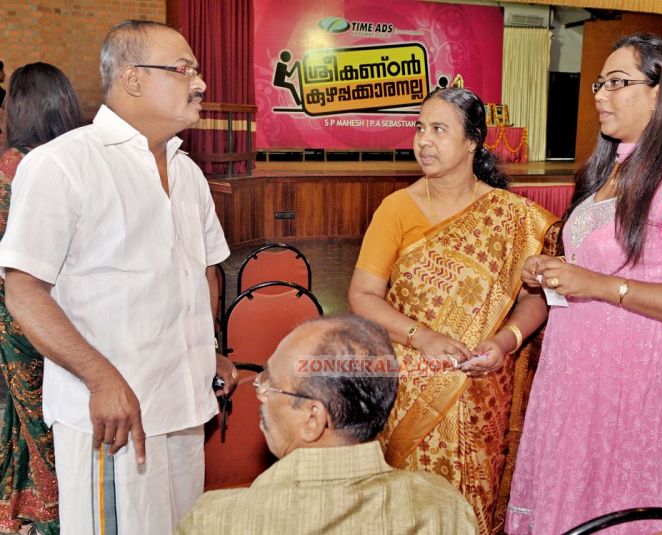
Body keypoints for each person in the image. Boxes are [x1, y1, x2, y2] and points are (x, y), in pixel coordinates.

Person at [506, 33, 662, 534]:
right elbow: (594, 271)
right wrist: (549, 272)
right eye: (601, 82)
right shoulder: (610, 169)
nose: (600, 94)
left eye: (619, 82)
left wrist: (595, 284)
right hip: (573, 378)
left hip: (638, 385)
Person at [0, 20, 237, 534]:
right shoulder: (62, 165)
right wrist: (100, 377)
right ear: (132, 79)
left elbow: (203, 274)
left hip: (185, 405)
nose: (199, 83)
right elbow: (22, 289)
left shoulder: (190, 173)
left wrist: (209, 348)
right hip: (112, 418)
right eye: (183, 70)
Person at [348, 87, 559, 534]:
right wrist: (422, 337)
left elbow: (534, 297)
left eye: (439, 129)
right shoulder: (396, 209)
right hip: (411, 384)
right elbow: (363, 295)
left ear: (472, 141)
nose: (423, 140)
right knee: (411, 510)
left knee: (472, 511)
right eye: (419, 128)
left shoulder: (512, 217)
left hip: (485, 388)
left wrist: (505, 342)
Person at [178, 315, 480, 534]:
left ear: (313, 419)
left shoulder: (217, 521)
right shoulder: (443, 509)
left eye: (270, 385)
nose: (260, 395)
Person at [0, 61, 83, 535]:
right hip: (71, 310)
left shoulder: (13, 165)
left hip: (21, 313)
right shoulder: (78, 158)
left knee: (34, 418)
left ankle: (49, 513)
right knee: (61, 412)